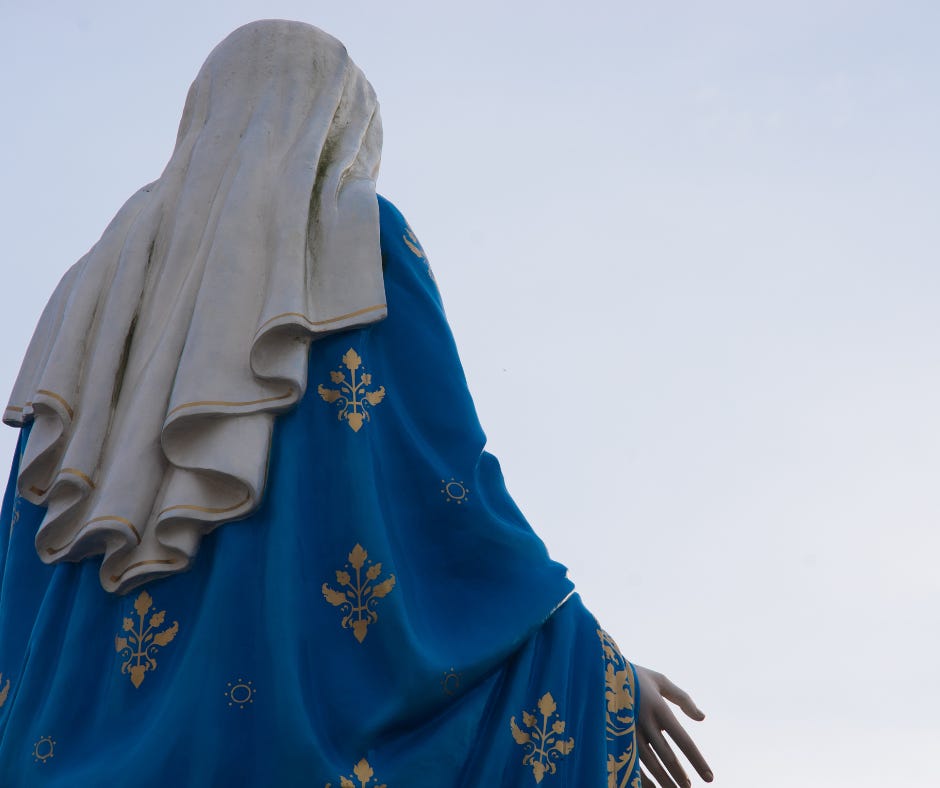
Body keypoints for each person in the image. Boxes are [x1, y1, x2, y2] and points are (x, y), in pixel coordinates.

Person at [0, 20, 711, 787]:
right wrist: (595, 669)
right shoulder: (353, 235)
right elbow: (445, 489)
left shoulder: (91, 287)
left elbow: (21, 558)